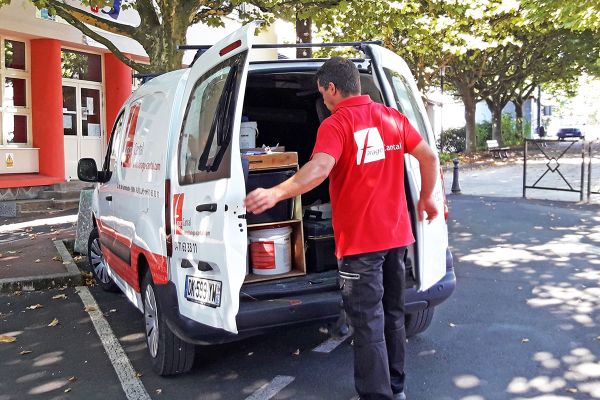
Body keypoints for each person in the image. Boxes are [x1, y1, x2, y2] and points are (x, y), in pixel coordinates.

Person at [244, 57, 439, 400]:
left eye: (322, 92)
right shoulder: (392, 117)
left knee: (367, 325)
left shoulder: (337, 124)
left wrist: (275, 192)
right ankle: (396, 389)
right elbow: (429, 157)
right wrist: (426, 199)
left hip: (361, 245)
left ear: (331, 88)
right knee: (393, 315)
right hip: (397, 238)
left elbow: (319, 169)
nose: (322, 98)